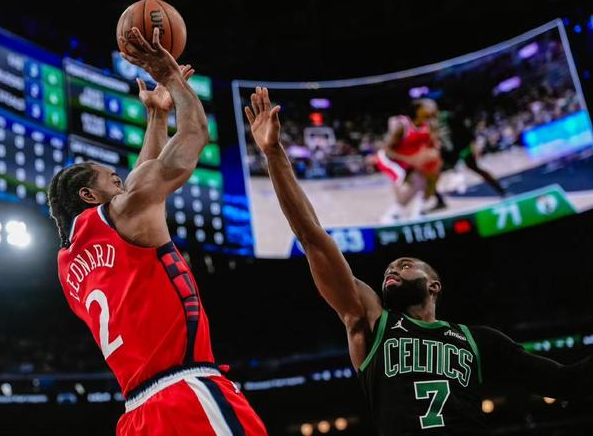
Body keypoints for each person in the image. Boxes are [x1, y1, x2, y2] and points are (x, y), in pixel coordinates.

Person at [244, 86, 592, 436]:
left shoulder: (478, 341)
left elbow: (566, 381)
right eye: (390, 268)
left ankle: (427, 197)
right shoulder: (370, 322)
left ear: (434, 285)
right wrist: (274, 155)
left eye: (406, 264)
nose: (393, 269)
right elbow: (312, 236)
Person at [48, 27, 267, 436]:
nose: (123, 182)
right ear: (89, 195)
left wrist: (157, 116)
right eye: (113, 180)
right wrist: (173, 79)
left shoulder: (67, 265)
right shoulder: (123, 210)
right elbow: (194, 137)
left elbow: (138, 187)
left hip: (137, 415)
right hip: (187, 394)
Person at [377, 99, 445, 223]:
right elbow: (387, 149)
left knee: (425, 182)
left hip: (409, 159)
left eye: (433, 107)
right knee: (412, 184)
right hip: (390, 159)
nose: (432, 108)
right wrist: (411, 160)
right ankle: (390, 215)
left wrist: (432, 150)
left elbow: (432, 144)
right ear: (417, 110)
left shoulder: (430, 125)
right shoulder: (402, 125)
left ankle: (416, 213)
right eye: (428, 106)